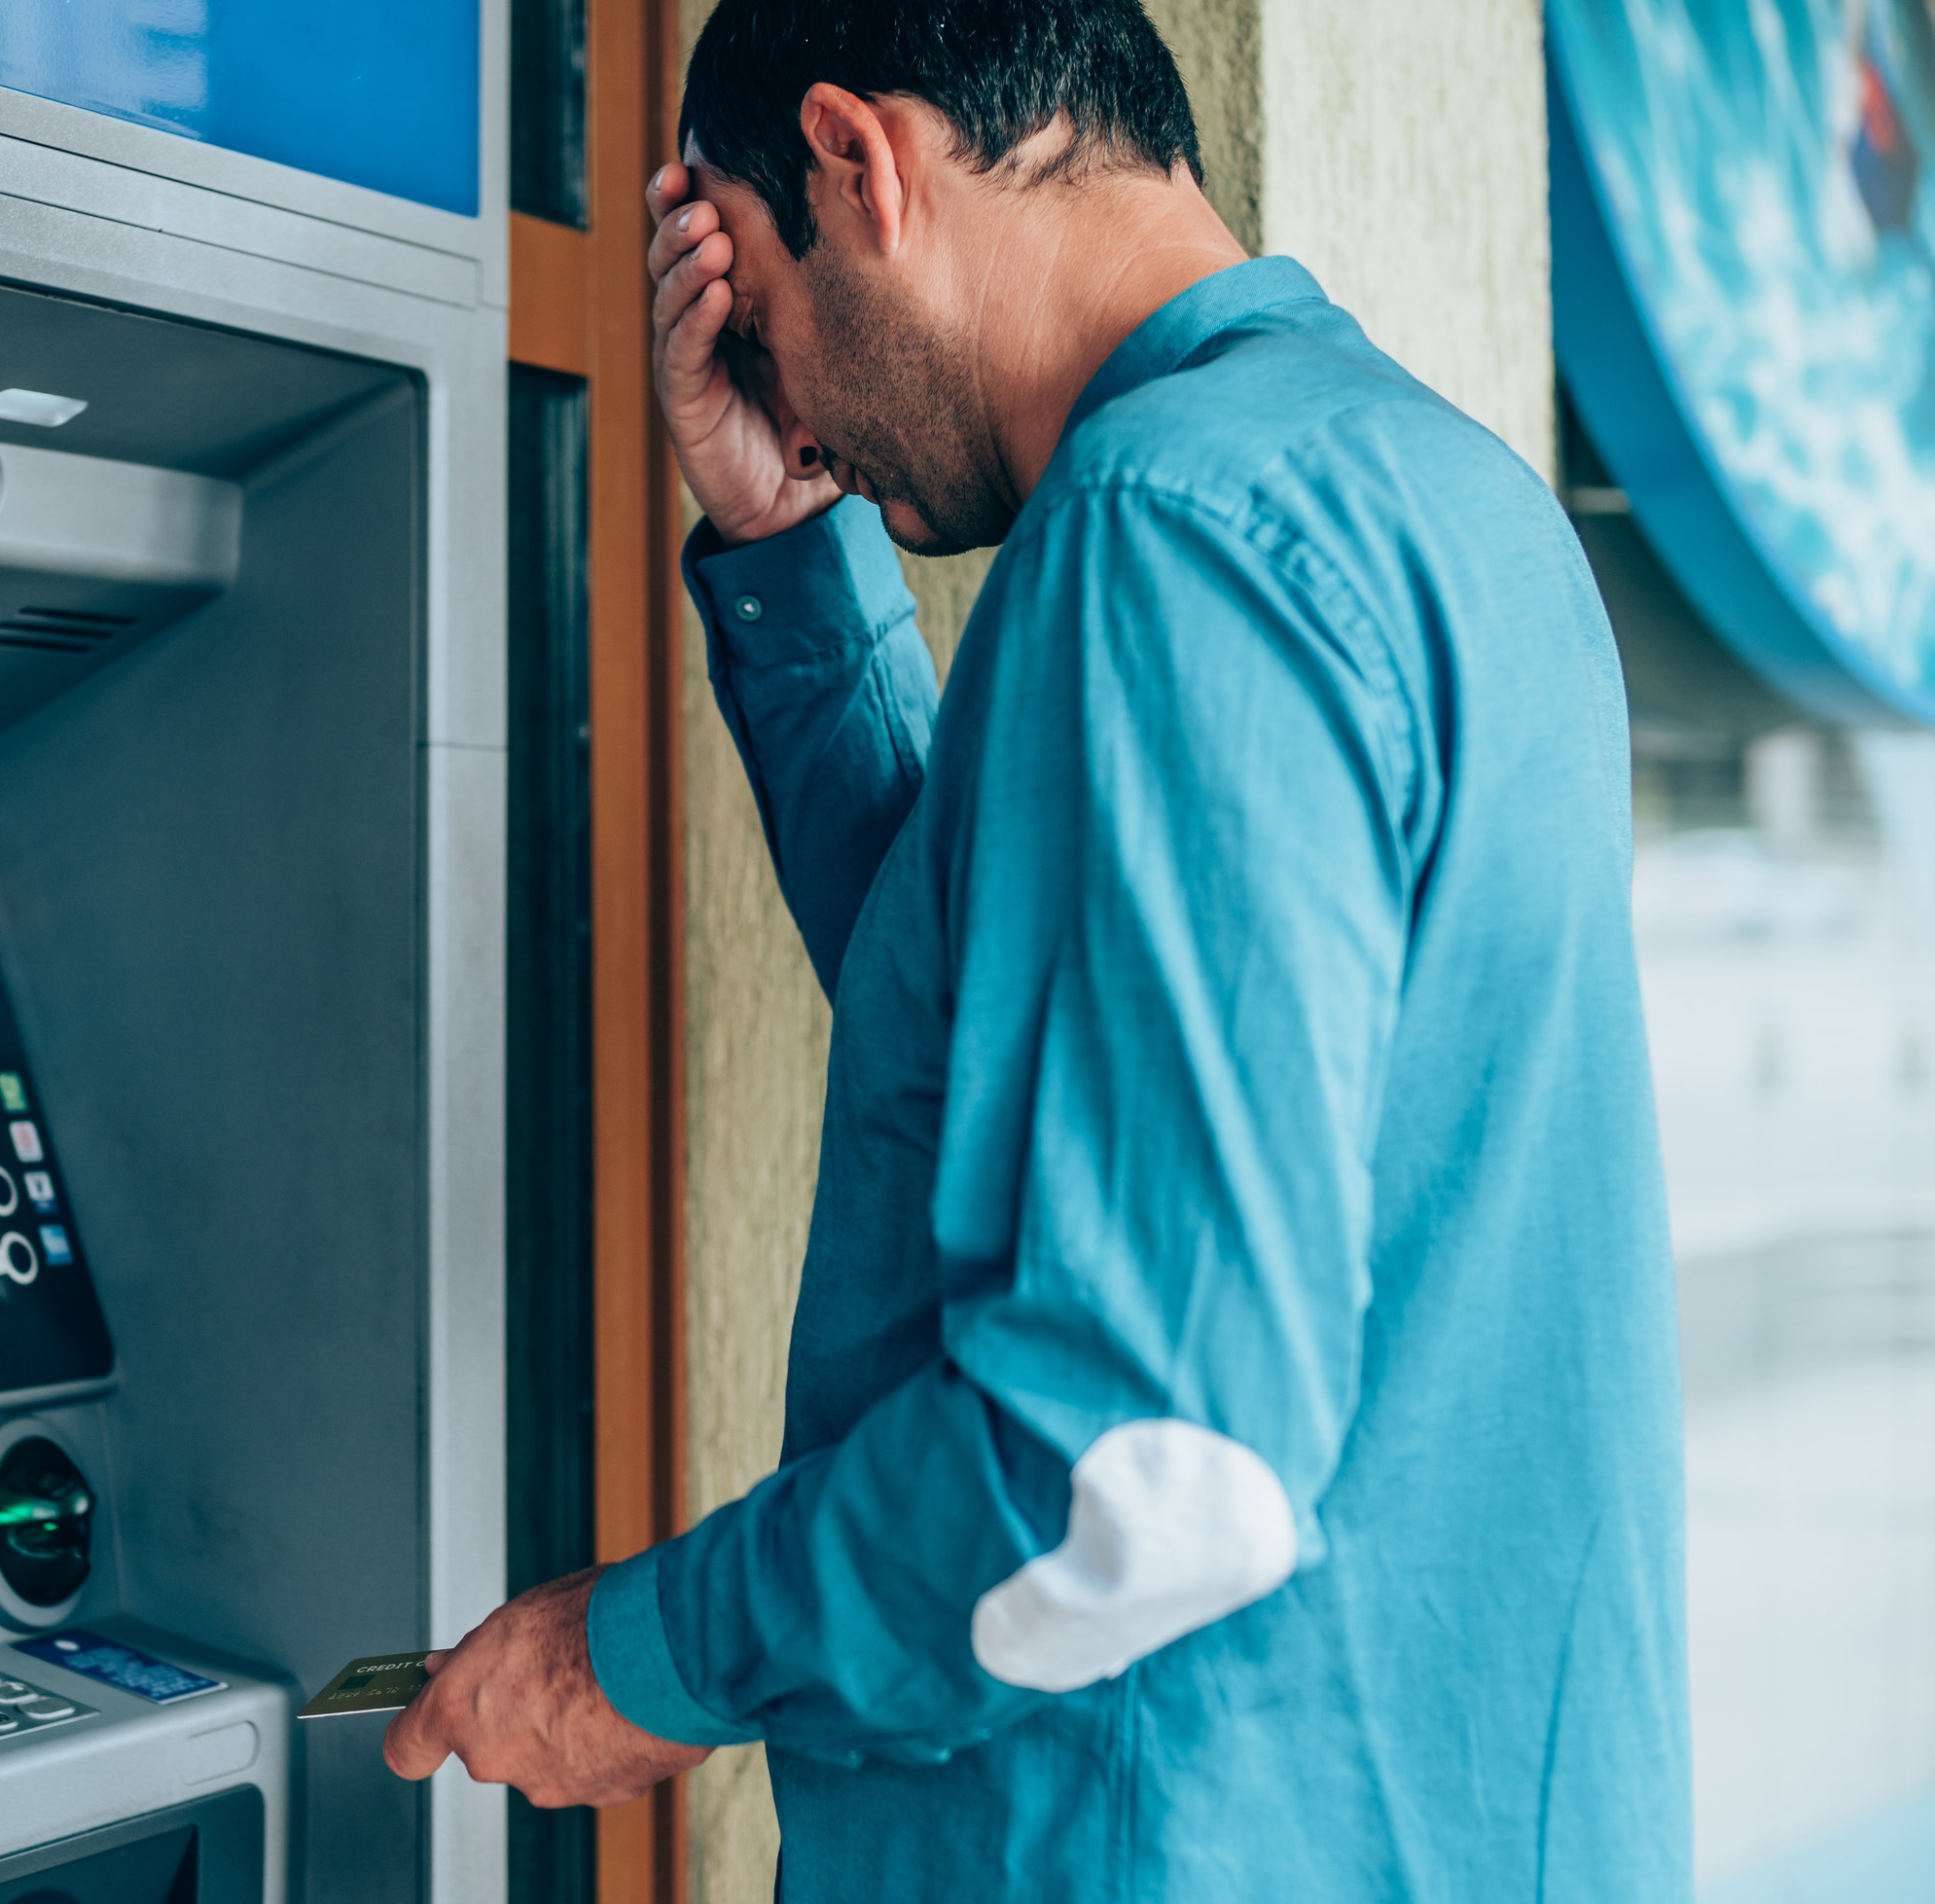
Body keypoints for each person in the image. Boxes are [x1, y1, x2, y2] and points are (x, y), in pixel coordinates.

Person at [385, 0, 1693, 1894]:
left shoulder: (1175, 533)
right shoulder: (1434, 493)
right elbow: (1034, 1045)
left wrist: (639, 1655)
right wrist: (786, 535)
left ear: (861, 162)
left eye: (754, 306)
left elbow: (1143, 1460)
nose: (787, 394)